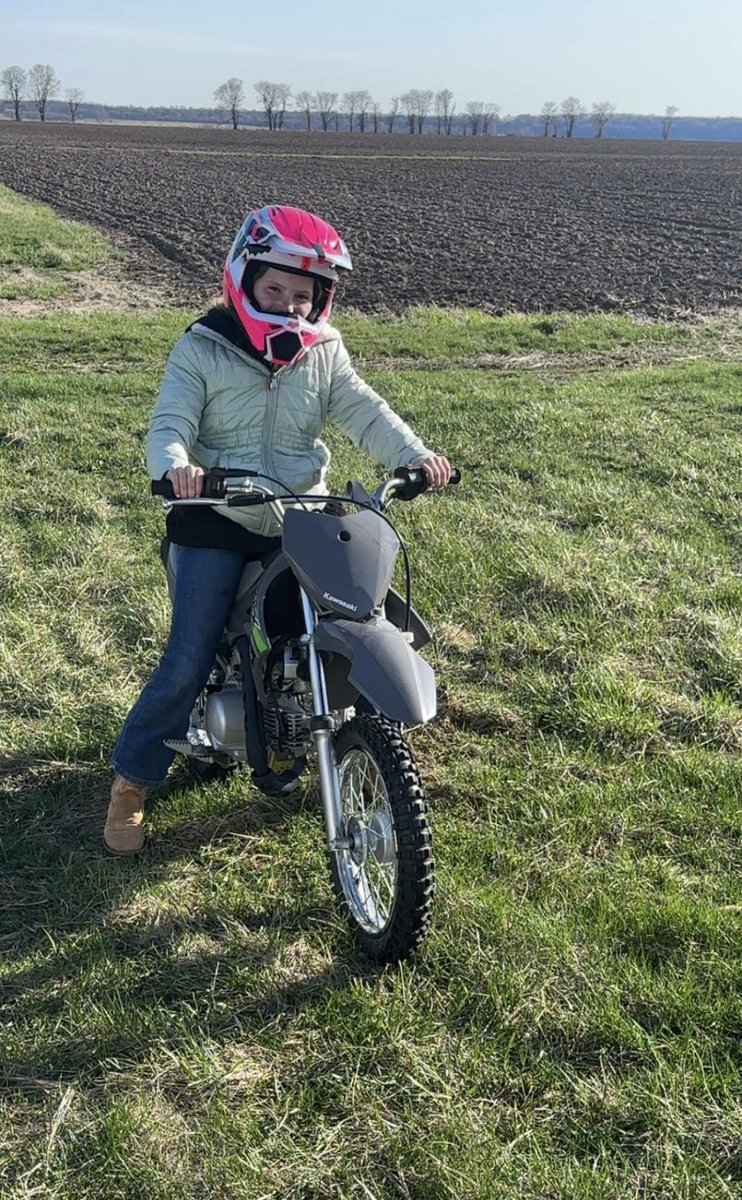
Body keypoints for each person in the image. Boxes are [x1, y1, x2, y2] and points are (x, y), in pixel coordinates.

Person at [105, 204, 451, 854]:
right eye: (273, 291)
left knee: (355, 618)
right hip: (214, 519)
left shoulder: (325, 352)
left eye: (303, 296)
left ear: (322, 299)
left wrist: (413, 455)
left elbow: (364, 410)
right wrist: (175, 467)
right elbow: (170, 421)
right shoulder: (202, 344)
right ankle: (133, 782)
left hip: (301, 517)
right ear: (243, 277)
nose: (288, 308)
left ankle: (343, 737)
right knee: (187, 658)